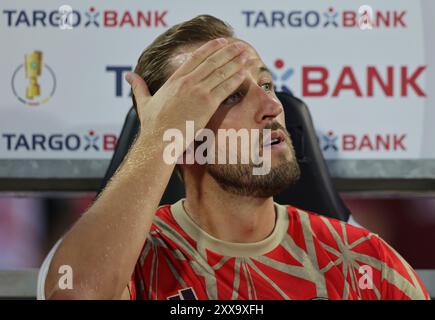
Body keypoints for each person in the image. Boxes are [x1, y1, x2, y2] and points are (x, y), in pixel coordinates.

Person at [42, 15, 429, 300]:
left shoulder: (363, 262)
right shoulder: (133, 260)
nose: (273, 105)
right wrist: (158, 137)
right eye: (230, 95)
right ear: (182, 135)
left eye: (265, 84)